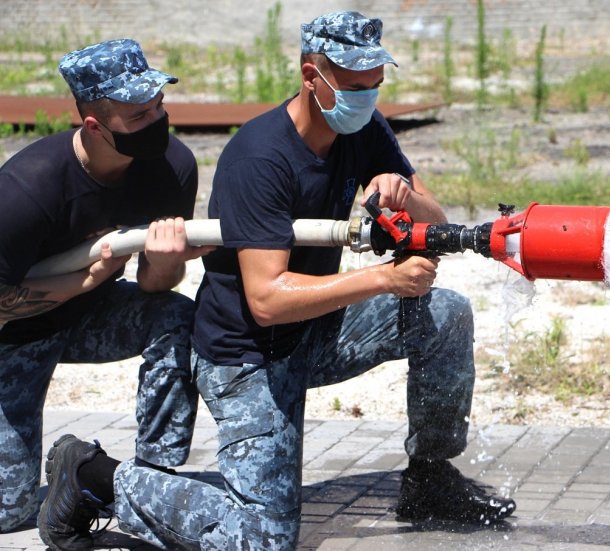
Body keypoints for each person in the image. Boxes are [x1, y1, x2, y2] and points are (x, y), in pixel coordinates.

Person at [41, 12, 516, 550]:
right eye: (355, 87)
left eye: (376, 87)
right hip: (245, 357)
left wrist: (404, 192)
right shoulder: (260, 158)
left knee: (447, 313)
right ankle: (92, 476)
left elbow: (436, 219)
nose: (368, 99)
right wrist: (384, 279)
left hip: (313, 330)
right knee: (263, 539)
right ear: (312, 77)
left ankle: (430, 480)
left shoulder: (362, 128)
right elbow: (266, 299)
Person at [0, 38, 215, 547]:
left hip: (91, 318)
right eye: (139, 115)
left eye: (159, 106)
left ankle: (151, 476)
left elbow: (152, 287)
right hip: (13, 337)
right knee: (9, 512)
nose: (158, 121)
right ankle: (64, 472)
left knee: (175, 315)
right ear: (94, 125)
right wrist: (85, 280)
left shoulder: (172, 167)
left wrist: (164, 265)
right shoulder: (24, 191)